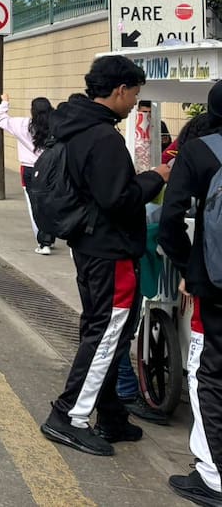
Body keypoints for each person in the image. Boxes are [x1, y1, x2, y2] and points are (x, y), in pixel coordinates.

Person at [39, 55, 169, 458]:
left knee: (105, 332)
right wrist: (155, 178)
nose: (134, 102)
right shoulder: (103, 137)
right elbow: (120, 199)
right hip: (110, 249)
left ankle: (110, 414)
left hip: (90, 244)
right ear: (119, 90)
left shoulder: (75, 127)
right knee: (106, 334)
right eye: (134, 94)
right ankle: (68, 416)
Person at [160, 81, 222, 505]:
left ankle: (213, 477)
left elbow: (170, 221)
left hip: (215, 283)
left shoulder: (200, 151)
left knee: (211, 375)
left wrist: (189, 266)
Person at [0, 93, 56, 255]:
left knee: (35, 205)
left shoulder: (22, 124)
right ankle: (50, 235)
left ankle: (44, 242)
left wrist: (5, 102)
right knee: (50, 202)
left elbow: (1, 119)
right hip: (51, 169)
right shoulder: (56, 126)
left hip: (30, 170)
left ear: (32, 111)